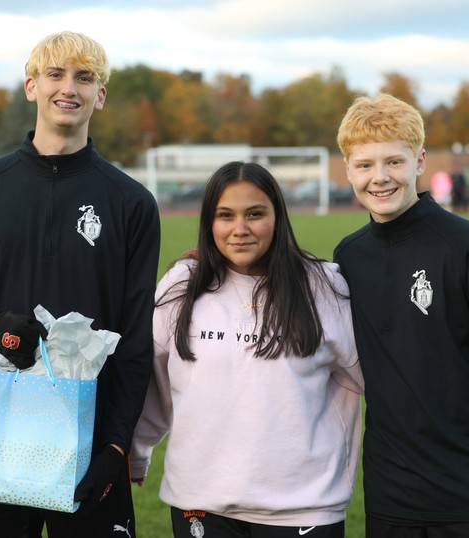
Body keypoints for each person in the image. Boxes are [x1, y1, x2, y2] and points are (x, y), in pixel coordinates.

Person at [0, 31, 161, 538]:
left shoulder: (131, 203)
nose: (69, 88)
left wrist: (115, 445)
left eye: (85, 78)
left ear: (100, 96)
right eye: (56, 74)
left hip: (90, 436)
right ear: (31, 86)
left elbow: (136, 341)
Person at [332, 93, 469, 538]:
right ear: (348, 171)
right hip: (391, 498)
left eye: (394, 162)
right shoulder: (348, 258)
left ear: (420, 161)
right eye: (364, 165)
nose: (380, 178)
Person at [131, 161, 364, 537]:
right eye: (226, 215)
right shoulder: (182, 285)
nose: (240, 229)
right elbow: (152, 379)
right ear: (209, 222)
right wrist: (137, 453)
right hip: (201, 503)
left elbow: (375, 380)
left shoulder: (322, 287)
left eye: (255, 214)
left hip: (303, 507)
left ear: (278, 217)